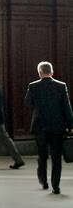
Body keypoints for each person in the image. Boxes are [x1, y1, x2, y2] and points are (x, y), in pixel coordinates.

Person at [24, 61, 73, 194]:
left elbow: (28, 102)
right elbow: (67, 108)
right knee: (56, 157)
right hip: (57, 126)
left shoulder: (33, 86)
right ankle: (56, 186)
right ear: (52, 72)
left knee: (42, 155)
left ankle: (43, 181)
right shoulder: (61, 86)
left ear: (39, 73)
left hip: (40, 126)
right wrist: (70, 125)